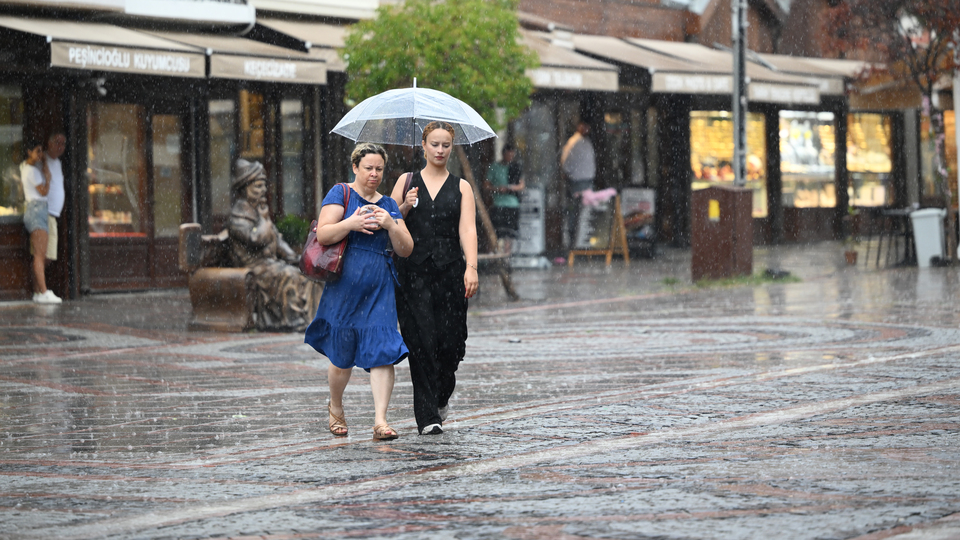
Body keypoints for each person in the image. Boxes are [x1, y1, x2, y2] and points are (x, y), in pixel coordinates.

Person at [305, 143, 413, 441]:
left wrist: (391, 224)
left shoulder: (389, 204)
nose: (374, 174)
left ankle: (381, 420)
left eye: (379, 169)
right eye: (368, 168)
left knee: (383, 350)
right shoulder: (341, 193)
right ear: (355, 167)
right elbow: (323, 233)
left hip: (380, 287)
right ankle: (336, 405)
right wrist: (351, 223)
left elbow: (406, 248)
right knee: (341, 355)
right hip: (344, 286)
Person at [391, 121, 479, 435]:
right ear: (424, 146)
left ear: (451, 148)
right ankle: (428, 416)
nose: (440, 150)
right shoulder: (406, 181)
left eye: (445, 145)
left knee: (451, 345)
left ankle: (441, 396)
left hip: (451, 272)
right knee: (421, 342)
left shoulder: (462, 187)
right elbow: (389, 221)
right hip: (413, 273)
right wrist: (405, 205)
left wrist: (471, 267)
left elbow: (467, 229)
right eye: (434, 144)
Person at [227, 159, 321, 331]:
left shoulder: (260, 211)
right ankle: (291, 320)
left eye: (264, 185)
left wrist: (294, 257)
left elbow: (277, 240)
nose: (263, 190)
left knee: (309, 275)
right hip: (254, 267)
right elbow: (256, 239)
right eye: (258, 186)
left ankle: (313, 319)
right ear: (244, 189)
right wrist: (264, 220)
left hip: (270, 264)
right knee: (288, 275)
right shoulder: (238, 217)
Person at [20, 137, 60, 304]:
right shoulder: (31, 171)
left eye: (41, 151)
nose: (40, 154)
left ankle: (38, 291)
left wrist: (42, 161)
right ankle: (43, 291)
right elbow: (43, 191)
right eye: (37, 151)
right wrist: (48, 179)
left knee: (40, 255)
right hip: (37, 209)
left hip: (36, 209)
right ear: (29, 152)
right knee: (40, 255)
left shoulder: (27, 167)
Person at [484, 143, 525, 254]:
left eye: (512, 155)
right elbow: (486, 185)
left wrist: (511, 188)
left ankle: (507, 255)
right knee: (496, 231)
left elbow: (521, 185)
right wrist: (497, 189)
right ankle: (493, 253)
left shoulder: (515, 167)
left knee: (509, 233)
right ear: (503, 154)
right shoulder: (494, 167)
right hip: (498, 204)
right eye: (508, 155)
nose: (510, 158)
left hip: (512, 204)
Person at [560, 120, 595, 247]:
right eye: (585, 126)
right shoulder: (574, 142)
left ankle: (581, 239)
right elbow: (566, 161)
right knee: (577, 211)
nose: (587, 129)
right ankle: (574, 239)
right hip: (578, 181)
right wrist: (568, 172)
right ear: (580, 127)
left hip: (586, 180)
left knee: (584, 212)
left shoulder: (585, 142)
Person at [44, 132, 66, 267]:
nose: (60, 147)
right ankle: (36, 281)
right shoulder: (43, 160)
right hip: (45, 214)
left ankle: (39, 281)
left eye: (63, 144)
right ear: (49, 143)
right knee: (44, 256)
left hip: (52, 215)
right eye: (57, 142)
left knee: (49, 255)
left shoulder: (57, 163)